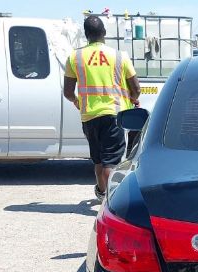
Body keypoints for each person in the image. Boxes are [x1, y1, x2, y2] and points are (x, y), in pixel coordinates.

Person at [63, 15, 141, 200]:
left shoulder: (75, 57)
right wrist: (132, 99)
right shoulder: (120, 56)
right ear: (104, 33)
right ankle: (110, 201)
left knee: (98, 160)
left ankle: (100, 191)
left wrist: (77, 101)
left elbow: (68, 92)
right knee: (111, 162)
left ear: (86, 34)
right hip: (114, 115)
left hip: (89, 116)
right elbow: (136, 88)